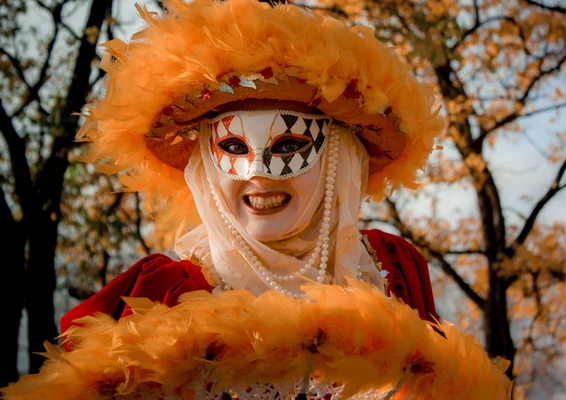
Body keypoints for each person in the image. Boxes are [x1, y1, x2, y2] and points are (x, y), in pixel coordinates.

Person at [59, 0, 445, 333]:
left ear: (339, 156)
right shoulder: (157, 296)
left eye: (290, 145)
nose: (255, 172)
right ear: (206, 162)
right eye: (232, 146)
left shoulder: (391, 271)